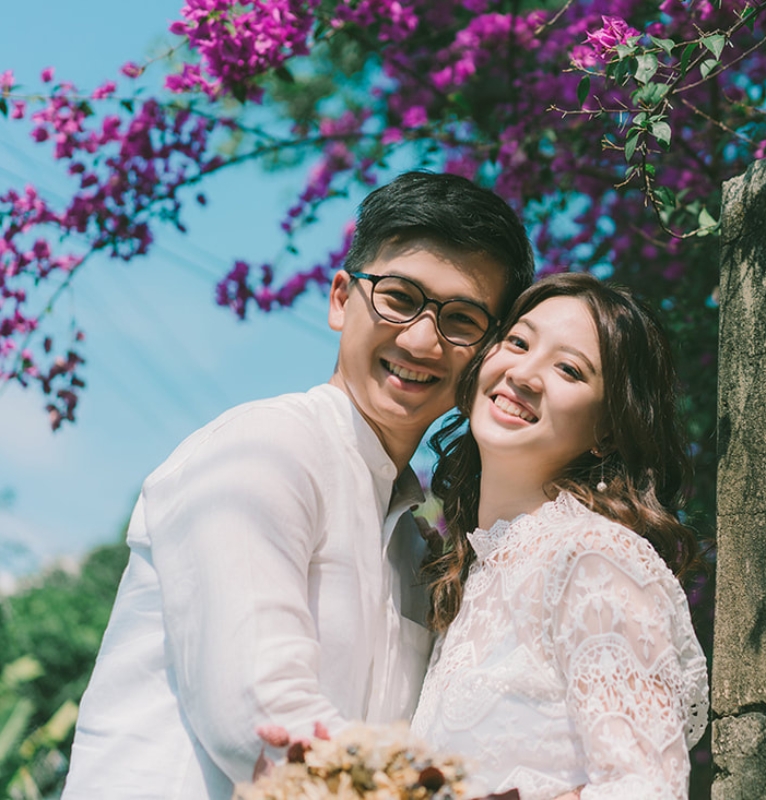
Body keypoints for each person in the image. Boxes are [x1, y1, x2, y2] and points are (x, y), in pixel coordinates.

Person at [62, 171, 535, 800]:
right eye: (398, 298)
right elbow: (262, 717)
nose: (422, 340)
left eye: (462, 318)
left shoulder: (417, 551)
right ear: (342, 298)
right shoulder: (263, 450)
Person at [411, 273, 710, 800]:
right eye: (518, 342)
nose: (524, 373)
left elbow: (645, 790)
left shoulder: (595, 558)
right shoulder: (474, 573)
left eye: (569, 369)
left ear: (608, 432)